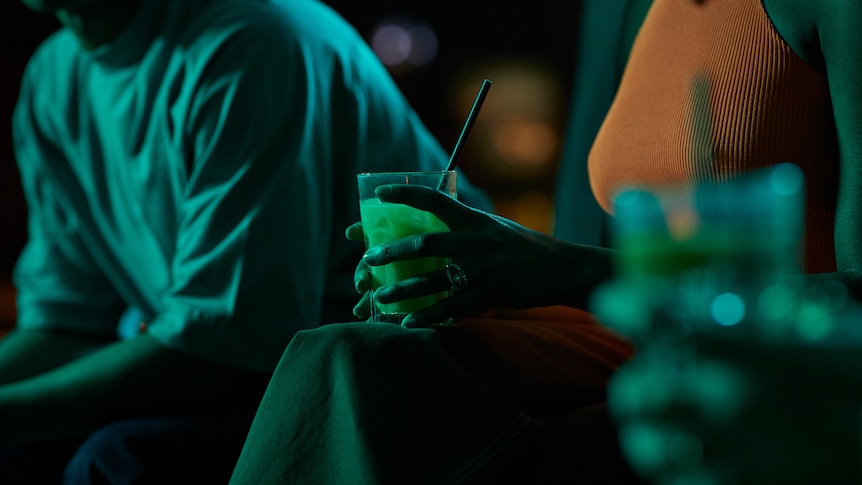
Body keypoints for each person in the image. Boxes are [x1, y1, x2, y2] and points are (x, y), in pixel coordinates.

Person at [228, 0, 862, 483]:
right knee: (360, 351)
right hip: (632, 340)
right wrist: (488, 279)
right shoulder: (640, 10)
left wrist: (559, 269)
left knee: (361, 370)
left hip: (762, 372)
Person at [3, 0, 491, 482]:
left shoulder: (254, 38)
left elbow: (227, 352)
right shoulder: (53, 75)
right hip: (252, 368)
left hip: (399, 369)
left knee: (118, 460)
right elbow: (68, 324)